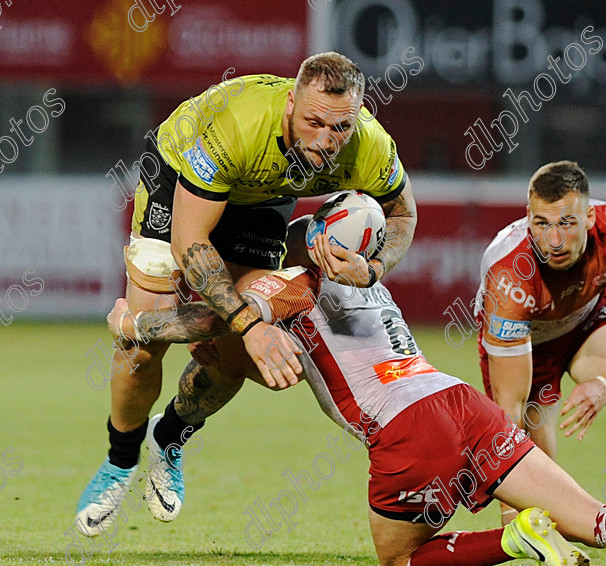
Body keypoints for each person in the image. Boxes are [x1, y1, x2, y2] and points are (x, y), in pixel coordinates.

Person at [103, 217, 606, 566]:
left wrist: (131, 325)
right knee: (592, 515)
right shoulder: (366, 281)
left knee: (400, 560)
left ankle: (512, 539)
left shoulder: (287, 283)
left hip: (405, 428)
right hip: (458, 401)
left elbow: (206, 321)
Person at [76, 51, 418, 535]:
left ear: (357, 118)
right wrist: (252, 324)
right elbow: (190, 242)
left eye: (339, 128)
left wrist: (375, 268)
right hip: (179, 179)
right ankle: (120, 459)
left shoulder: (370, 146)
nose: (324, 141)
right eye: (312, 121)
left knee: (235, 354)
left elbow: (403, 213)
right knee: (141, 350)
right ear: (290, 106)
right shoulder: (238, 123)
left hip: (263, 199)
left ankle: (168, 436)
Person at [474, 161, 606, 525]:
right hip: (527, 346)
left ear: (588, 217)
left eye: (567, 223)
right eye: (542, 224)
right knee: (537, 484)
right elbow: (509, 413)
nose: (554, 241)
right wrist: (514, 522)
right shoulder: (508, 273)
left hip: (588, 321)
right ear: (528, 218)